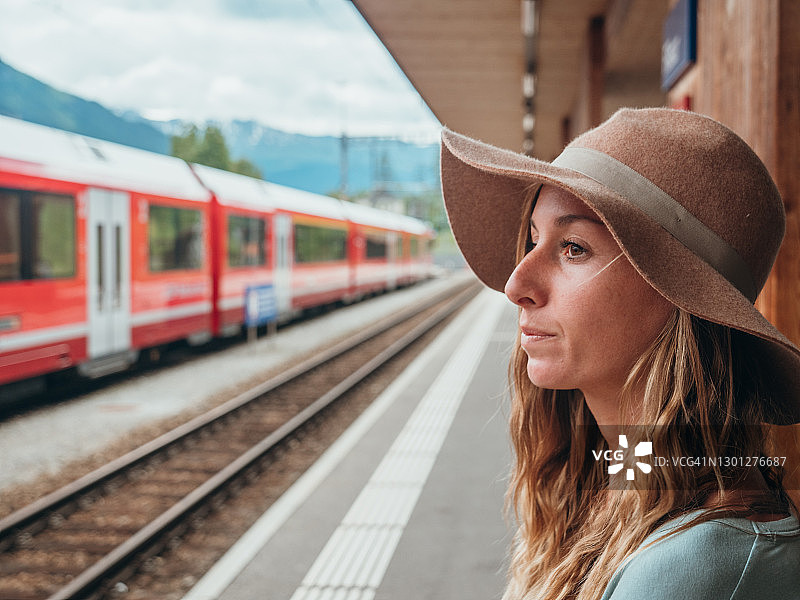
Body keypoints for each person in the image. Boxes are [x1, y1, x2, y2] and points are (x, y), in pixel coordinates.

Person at [439, 108, 800, 600]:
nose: (516, 284)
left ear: (679, 296)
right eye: (533, 241)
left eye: (572, 248)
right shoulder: (632, 476)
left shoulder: (695, 569)